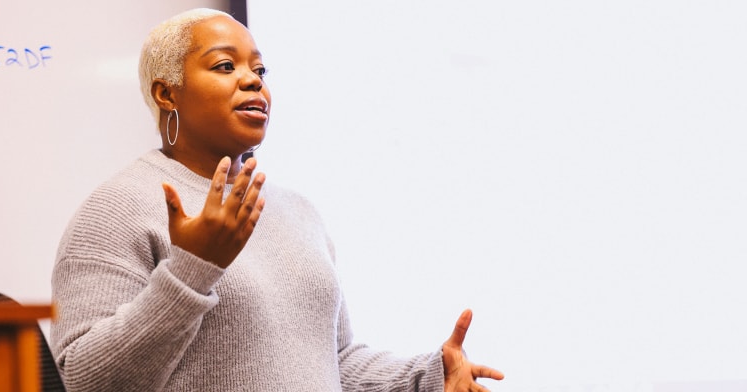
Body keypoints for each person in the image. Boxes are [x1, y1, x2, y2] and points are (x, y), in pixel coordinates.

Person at [50, 8, 504, 392]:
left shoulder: (296, 210)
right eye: (225, 66)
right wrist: (191, 270)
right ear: (167, 92)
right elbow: (86, 378)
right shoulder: (116, 209)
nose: (252, 81)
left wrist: (426, 377)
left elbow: (336, 360)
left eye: (260, 71)